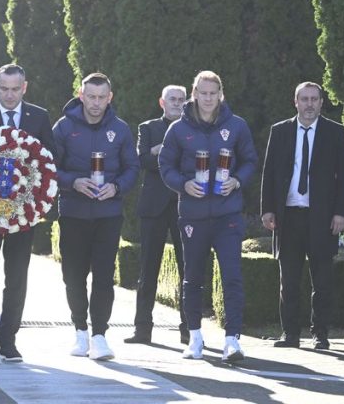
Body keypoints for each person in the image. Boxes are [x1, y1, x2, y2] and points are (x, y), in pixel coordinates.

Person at [159, 71, 257, 361]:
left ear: (220, 94)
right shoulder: (177, 129)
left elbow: (251, 160)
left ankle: (232, 340)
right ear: (194, 93)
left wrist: (237, 180)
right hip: (193, 214)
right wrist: (183, 184)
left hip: (227, 214)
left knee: (232, 276)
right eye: (203, 93)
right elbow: (166, 166)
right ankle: (195, 338)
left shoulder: (237, 126)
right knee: (192, 278)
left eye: (213, 93)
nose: (208, 98)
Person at [0, 64, 56, 363]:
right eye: (4, 88)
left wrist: (38, 207)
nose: (9, 95)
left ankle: (9, 340)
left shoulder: (39, 118)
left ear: (24, 87)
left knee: (17, 277)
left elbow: (48, 166)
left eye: (15, 89)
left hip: (24, 216)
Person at [52, 73, 139, 361]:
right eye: (91, 96)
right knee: (73, 275)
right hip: (74, 213)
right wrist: (73, 182)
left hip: (108, 214)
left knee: (104, 276)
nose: (96, 103)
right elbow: (49, 167)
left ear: (110, 97)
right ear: (81, 94)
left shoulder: (121, 129)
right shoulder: (63, 127)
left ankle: (100, 335)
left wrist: (116, 188)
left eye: (102, 97)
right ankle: (80, 331)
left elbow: (131, 169)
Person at [260, 82, 344, 351]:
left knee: (322, 281)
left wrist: (340, 213)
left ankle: (320, 334)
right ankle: (289, 334)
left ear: (322, 102)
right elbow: (269, 173)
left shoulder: (335, 133)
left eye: (314, 99)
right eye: (304, 99)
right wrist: (267, 209)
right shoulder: (280, 131)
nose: (310, 104)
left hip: (322, 218)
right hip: (288, 216)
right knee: (288, 280)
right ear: (296, 102)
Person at [125, 85, 189, 346]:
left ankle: (189, 330)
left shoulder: (193, 128)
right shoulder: (147, 128)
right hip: (154, 207)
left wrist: (158, 150)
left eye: (182, 99)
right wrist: (165, 149)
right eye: (172, 99)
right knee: (148, 269)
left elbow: (191, 162)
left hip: (185, 205)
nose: (177, 103)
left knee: (189, 270)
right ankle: (142, 330)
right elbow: (142, 161)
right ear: (162, 102)